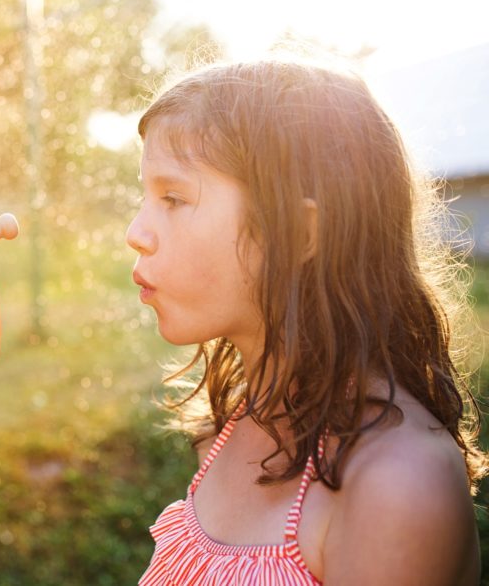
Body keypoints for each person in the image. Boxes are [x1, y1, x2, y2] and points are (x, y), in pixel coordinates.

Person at [126, 58, 485, 585]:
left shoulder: (395, 486)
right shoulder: (234, 428)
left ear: (296, 234)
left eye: (173, 197)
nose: (136, 231)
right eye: (145, 196)